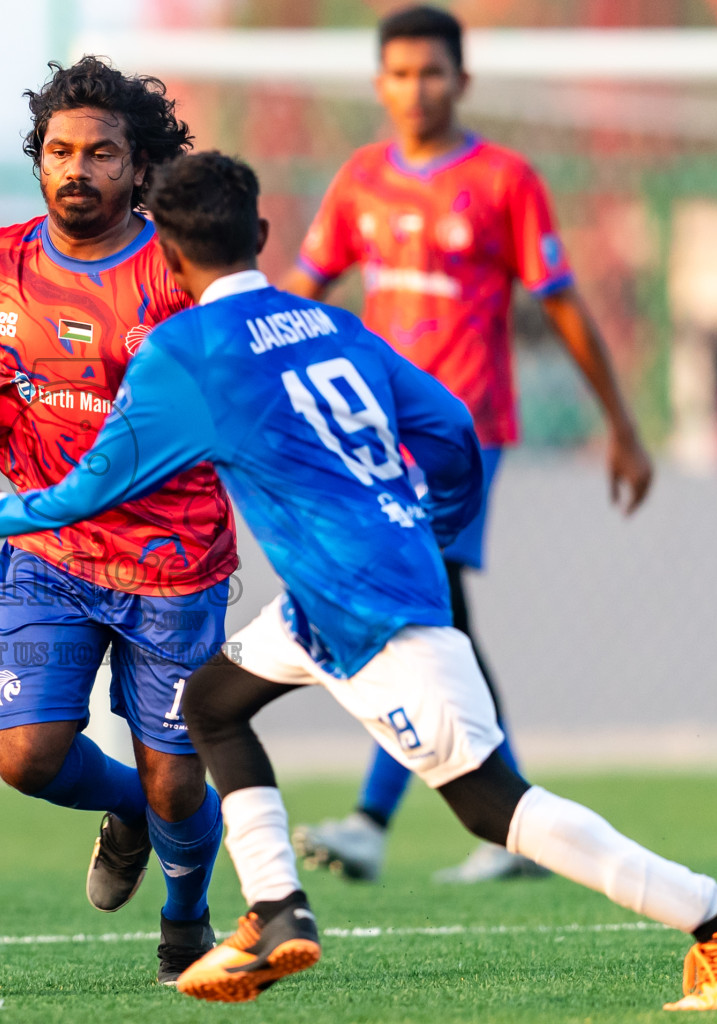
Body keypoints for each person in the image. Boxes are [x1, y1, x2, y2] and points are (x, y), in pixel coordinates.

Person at [0, 151, 717, 1011]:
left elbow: (105, 480)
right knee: (211, 702)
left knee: (490, 805)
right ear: (262, 235)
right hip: (343, 591)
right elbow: (450, 427)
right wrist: (428, 522)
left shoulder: (187, 349)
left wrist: (2, 517)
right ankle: (276, 910)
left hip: (366, 607)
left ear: (168, 259)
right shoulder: (330, 324)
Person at [0, 57, 233, 984]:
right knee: (27, 757)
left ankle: (185, 920)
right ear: (40, 160)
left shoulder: (182, 269)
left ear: (139, 168)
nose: (77, 169)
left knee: (179, 775)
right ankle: (133, 814)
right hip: (48, 552)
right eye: (60, 151)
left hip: (174, 566)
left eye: (101, 154)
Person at [280, 4, 655, 885]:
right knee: (438, 618)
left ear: (464, 80)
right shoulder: (362, 179)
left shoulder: (503, 181)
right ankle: (508, 821)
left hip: (462, 434)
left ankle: (379, 820)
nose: (418, 89)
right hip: (375, 435)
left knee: (422, 610)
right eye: (401, 74)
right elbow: (306, 286)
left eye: (434, 72)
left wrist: (623, 425)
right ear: (381, 85)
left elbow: (561, 303)